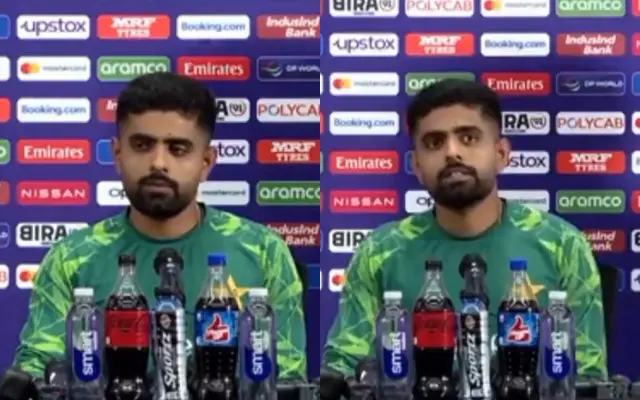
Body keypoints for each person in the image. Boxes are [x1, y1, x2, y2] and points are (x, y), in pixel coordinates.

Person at [13, 72, 307, 380]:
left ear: (206, 162)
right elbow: (37, 372)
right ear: (117, 154)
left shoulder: (264, 251)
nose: (158, 163)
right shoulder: (71, 259)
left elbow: (287, 378)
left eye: (178, 149)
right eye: (142, 145)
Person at [322, 79, 607, 378]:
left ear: (501, 154)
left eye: (468, 138)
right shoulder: (380, 251)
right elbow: (343, 369)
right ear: (417, 165)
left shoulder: (562, 243)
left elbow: (588, 376)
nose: (452, 152)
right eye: (434, 143)